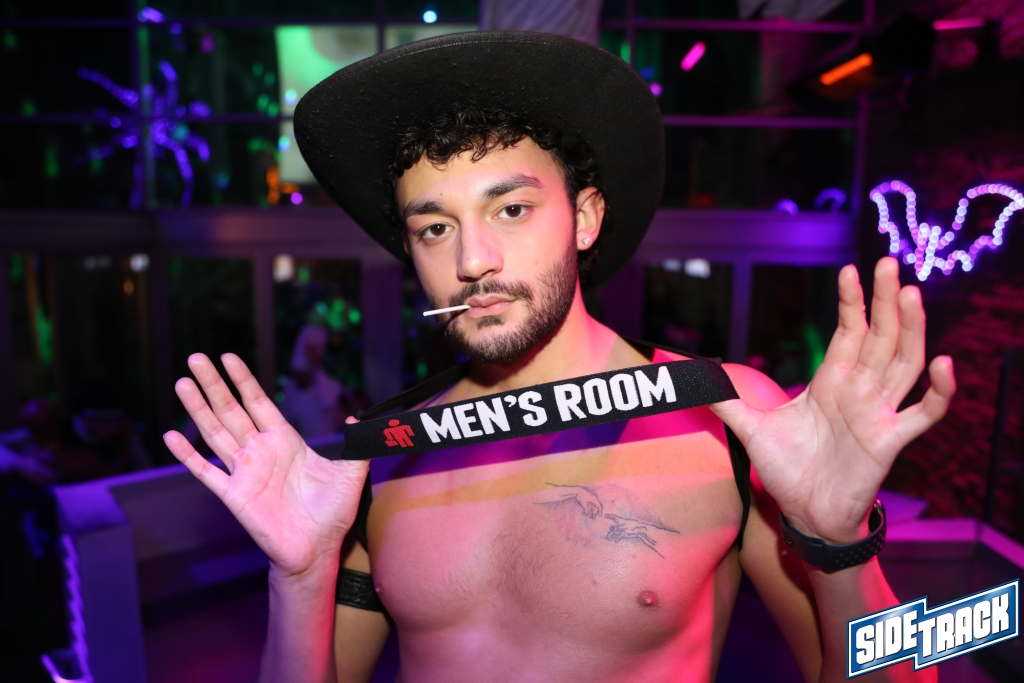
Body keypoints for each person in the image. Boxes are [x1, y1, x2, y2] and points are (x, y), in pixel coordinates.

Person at [162, 33, 955, 683]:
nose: (473, 259)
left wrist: (839, 543)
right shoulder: (385, 451)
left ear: (585, 217)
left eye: (511, 208)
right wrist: (302, 579)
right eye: (434, 227)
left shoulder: (723, 414)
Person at [279, 324, 344, 439]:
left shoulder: (329, 384)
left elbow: (329, 402)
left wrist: (316, 365)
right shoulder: (290, 388)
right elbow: (286, 419)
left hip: (326, 444)